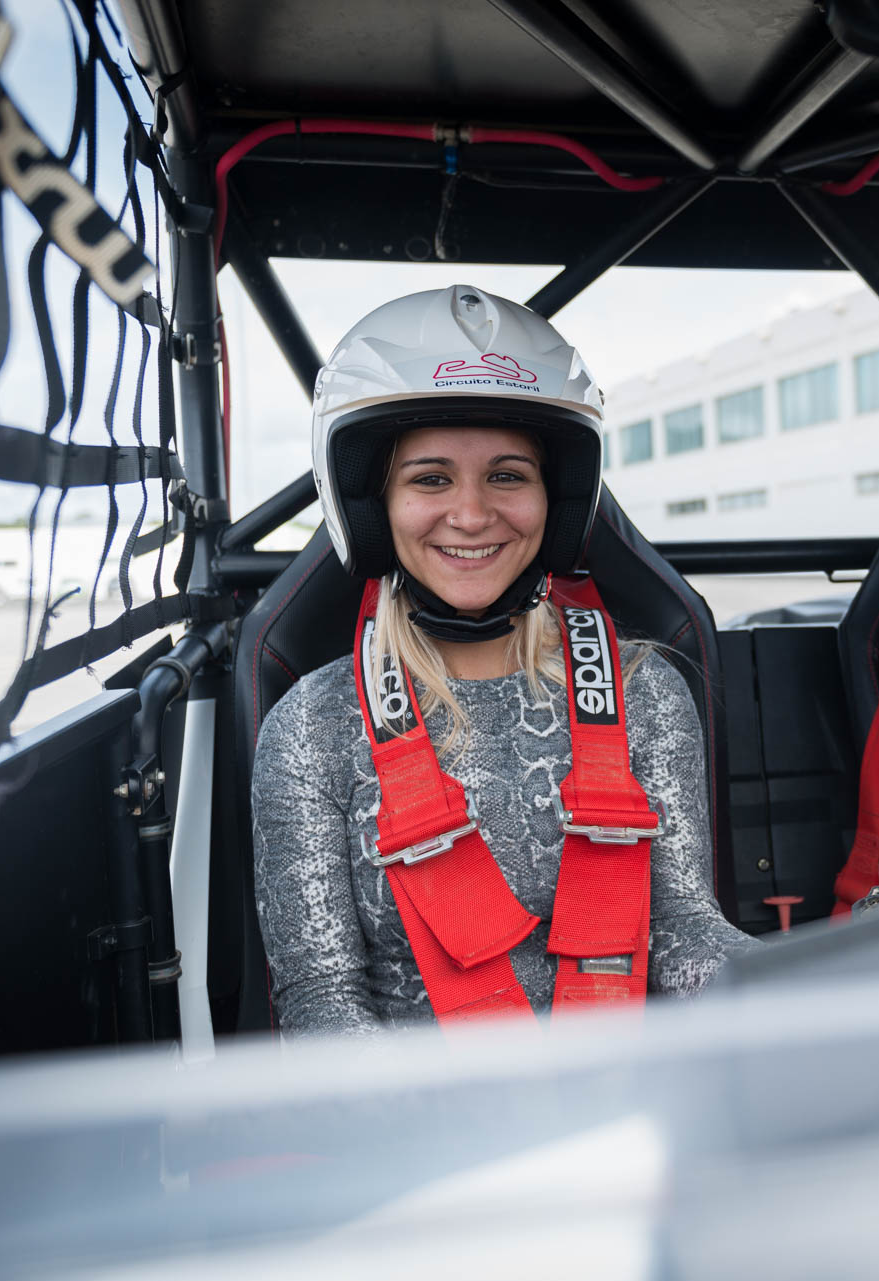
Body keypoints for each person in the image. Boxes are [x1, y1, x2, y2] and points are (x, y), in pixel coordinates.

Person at [253, 285, 751, 1031]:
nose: (473, 513)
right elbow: (323, 998)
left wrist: (814, 982)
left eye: (507, 475)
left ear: (558, 498)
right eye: (430, 478)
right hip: (428, 1130)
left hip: (632, 1102)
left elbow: (686, 933)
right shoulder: (313, 727)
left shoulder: (645, 692)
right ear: (373, 504)